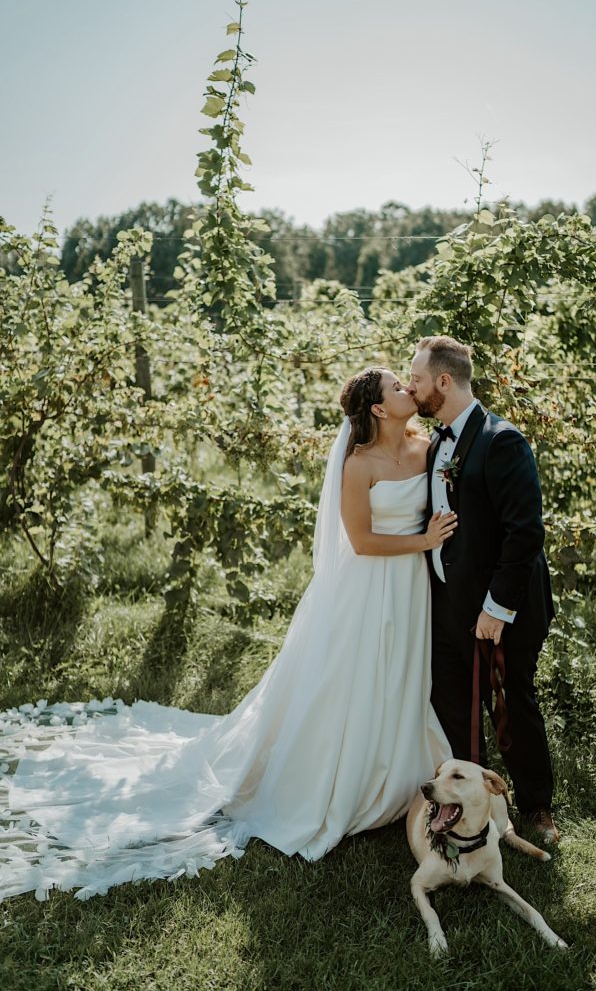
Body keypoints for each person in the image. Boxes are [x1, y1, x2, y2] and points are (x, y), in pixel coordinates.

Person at [0, 367, 456, 903]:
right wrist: (422, 541)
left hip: (410, 589)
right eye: (398, 388)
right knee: (350, 677)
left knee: (399, 672)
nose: (409, 390)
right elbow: (358, 540)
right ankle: (342, 780)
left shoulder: (428, 447)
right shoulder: (358, 464)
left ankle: (397, 771)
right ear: (379, 410)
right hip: (368, 584)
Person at [405, 336, 559, 843]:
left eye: (419, 380)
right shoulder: (437, 445)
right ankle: (469, 809)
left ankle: (536, 806)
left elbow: (525, 533)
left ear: (444, 382)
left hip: (502, 607)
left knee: (511, 702)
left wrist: (498, 607)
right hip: (450, 603)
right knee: (452, 701)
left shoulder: (502, 441)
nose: (412, 388)